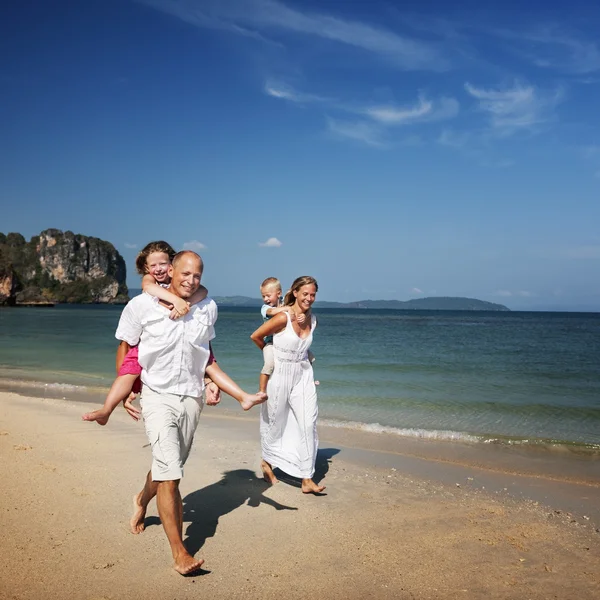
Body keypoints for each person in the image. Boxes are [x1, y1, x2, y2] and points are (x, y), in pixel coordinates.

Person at [114, 251, 264, 575]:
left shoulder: (207, 308)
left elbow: (206, 355)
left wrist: (230, 390)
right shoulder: (143, 305)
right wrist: (125, 390)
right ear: (170, 272)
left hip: (191, 399)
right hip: (156, 396)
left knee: (168, 465)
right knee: (172, 476)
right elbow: (126, 348)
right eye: (185, 273)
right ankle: (179, 552)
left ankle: (141, 499)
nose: (190, 280)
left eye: (196, 275)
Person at [250, 276, 324, 495]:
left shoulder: (313, 319)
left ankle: (306, 478)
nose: (309, 298)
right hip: (280, 374)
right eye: (305, 294)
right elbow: (256, 336)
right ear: (295, 292)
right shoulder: (282, 317)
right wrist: (270, 352)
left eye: (313, 294)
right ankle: (267, 462)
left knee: (308, 423)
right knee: (275, 422)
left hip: (303, 375)